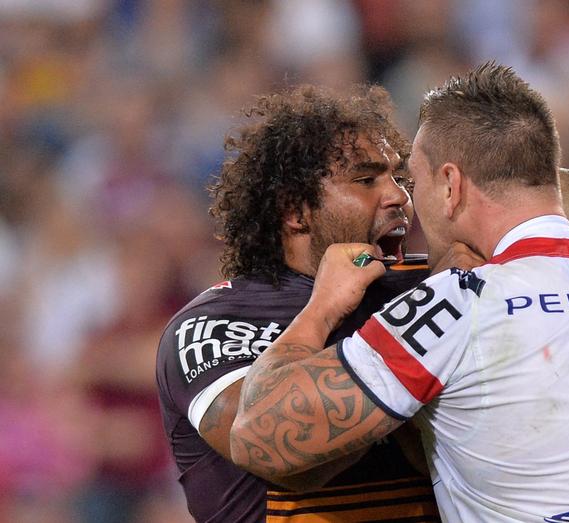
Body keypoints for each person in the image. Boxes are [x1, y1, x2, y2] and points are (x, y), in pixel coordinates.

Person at [230, 63, 569, 522]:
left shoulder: (462, 303)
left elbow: (258, 433)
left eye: (413, 182)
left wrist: (322, 309)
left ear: (450, 186)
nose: (405, 201)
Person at [156, 84, 441, 522]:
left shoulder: (432, 289)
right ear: (296, 211)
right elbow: (273, 448)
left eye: (400, 179)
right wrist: (325, 311)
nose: (399, 198)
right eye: (366, 180)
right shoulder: (213, 323)